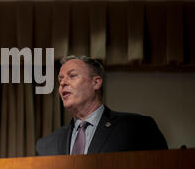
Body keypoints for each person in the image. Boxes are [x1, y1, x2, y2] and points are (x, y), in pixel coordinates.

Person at [36, 55, 168, 156]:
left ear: (96, 83)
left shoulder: (138, 128)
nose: (63, 83)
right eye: (60, 80)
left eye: (72, 76)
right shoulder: (46, 145)